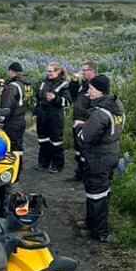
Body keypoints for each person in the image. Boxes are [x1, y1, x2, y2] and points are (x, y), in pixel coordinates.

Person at [75, 74, 125, 243]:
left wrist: (80, 129)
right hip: (111, 152)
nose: (88, 91)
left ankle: (100, 232)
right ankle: (91, 224)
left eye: (91, 88)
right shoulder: (116, 105)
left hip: (99, 157)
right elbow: (106, 130)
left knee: (97, 193)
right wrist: (86, 125)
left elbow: (84, 138)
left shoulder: (100, 113)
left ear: (99, 91)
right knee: (100, 190)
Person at [33, 62, 71, 174]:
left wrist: (55, 98)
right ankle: (44, 163)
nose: (48, 73)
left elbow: (67, 102)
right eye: (48, 71)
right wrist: (35, 113)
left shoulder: (64, 85)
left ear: (58, 71)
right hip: (42, 114)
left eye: (51, 71)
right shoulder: (43, 82)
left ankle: (57, 165)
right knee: (42, 139)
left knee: (56, 141)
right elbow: (38, 99)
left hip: (55, 115)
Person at [0, 62, 32, 170]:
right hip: (22, 118)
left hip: (12, 120)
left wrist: (1, 120)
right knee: (18, 145)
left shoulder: (13, 87)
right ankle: (19, 165)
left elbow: (7, 106)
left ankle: (13, 170)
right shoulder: (26, 84)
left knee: (11, 146)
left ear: (11, 71)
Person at [68, 61, 98, 181]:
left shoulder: (96, 86)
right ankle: (79, 173)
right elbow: (73, 96)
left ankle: (87, 176)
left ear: (92, 71)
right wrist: (74, 83)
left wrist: (86, 121)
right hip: (77, 121)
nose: (82, 72)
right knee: (78, 150)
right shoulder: (84, 84)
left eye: (85, 70)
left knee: (86, 151)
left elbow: (95, 106)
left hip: (86, 123)